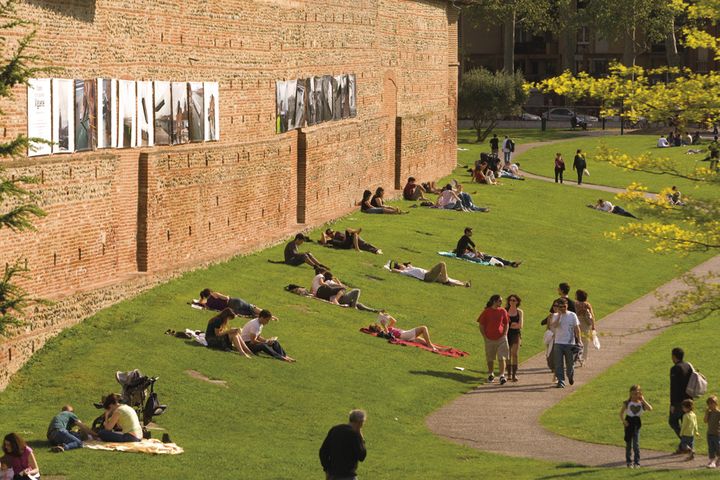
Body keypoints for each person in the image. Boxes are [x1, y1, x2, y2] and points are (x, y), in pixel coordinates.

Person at [319, 410, 367, 480]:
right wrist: (361, 438)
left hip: (333, 475)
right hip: (348, 476)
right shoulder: (354, 434)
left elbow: (323, 452)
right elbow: (362, 456)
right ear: (360, 422)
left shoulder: (335, 430)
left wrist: (327, 469)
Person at [548, 298, 582, 388]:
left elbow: (577, 328)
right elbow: (554, 326)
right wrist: (559, 315)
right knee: (558, 363)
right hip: (558, 343)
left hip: (570, 343)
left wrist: (579, 340)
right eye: (560, 307)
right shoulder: (555, 315)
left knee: (570, 363)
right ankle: (561, 380)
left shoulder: (572, 315)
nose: (563, 308)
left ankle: (570, 375)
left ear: (567, 305)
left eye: (564, 306)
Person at [477, 294, 510, 385]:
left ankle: (502, 375)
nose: (501, 302)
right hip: (489, 339)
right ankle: (491, 373)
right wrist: (484, 336)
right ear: (494, 301)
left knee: (502, 357)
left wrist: (505, 334)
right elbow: (481, 325)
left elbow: (506, 323)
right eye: (499, 301)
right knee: (490, 357)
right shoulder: (486, 312)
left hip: (501, 339)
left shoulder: (503, 311)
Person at [620, 385, 653, 468]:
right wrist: (624, 421)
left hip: (636, 423)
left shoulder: (641, 403)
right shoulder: (627, 403)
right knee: (628, 443)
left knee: (636, 444)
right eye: (634, 394)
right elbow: (621, 413)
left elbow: (650, 408)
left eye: (637, 393)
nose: (635, 395)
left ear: (640, 394)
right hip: (629, 422)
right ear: (630, 394)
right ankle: (628, 462)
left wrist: (643, 400)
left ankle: (637, 462)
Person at [455, 227, 521, 267]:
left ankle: (511, 263)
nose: (472, 233)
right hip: (461, 255)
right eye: (470, 232)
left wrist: (478, 253)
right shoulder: (465, 238)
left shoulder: (465, 240)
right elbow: (473, 245)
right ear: (467, 232)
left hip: (468, 254)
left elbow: (470, 248)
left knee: (490, 256)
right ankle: (498, 263)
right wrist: (476, 255)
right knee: (479, 260)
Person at [376, 312, 444, 350]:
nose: (378, 325)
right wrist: (384, 325)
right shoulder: (384, 332)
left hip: (405, 335)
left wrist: (388, 316)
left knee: (425, 341)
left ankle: (439, 349)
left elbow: (394, 321)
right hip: (404, 335)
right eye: (377, 326)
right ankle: (430, 346)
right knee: (423, 328)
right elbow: (388, 335)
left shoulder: (387, 328)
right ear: (377, 329)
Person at [669, 347, 693, 446]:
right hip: (688, 399)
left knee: (672, 421)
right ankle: (688, 446)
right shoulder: (688, 366)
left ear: (674, 356)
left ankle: (685, 443)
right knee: (686, 424)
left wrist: (672, 404)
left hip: (679, 401)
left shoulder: (675, 369)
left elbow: (674, 388)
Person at [390, 260, 470, 287]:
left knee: (444, 276)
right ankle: (445, 281)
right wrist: (390, 268)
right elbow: (394, 270)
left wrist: (406, 264)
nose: (402, 265)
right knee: (442, 264)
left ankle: (463, 284)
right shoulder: (405, 272)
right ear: (400, 268)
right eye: (400, 265)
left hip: (428, 274)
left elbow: (409, 264)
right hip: (427, 276)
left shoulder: (409, 268)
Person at [574, 289, 595, 366]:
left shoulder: (575, 304)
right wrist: (593, 326)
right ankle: (583, 359)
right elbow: (592, 316)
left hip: (576, 324)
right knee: (585, 343)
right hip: (585, 325)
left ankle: (576, 357)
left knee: (576, 341)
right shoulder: (587, 305)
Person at [505, 294, 523, 382]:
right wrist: (511, 325)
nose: (512, 302)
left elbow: (520, 325)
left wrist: (510, 325)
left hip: (516, 334)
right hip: (506, 334)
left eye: (514, 300)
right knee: (507, 354)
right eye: (510, 300)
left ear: (517, 302)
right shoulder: (505, 311)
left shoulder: (519, 312)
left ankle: (514, 374)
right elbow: (503, 324)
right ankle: (508, 374)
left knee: (514, 354)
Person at [705, 395, 720, 468]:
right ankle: (712, 461)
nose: (710, 405)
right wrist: (706, 413)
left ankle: (718, 459)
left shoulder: (718, 413)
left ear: (716, 404)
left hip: (717, 433)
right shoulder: (709, 412)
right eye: (709, 404)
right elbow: (705, 421)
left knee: (718, 447)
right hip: (709, 433)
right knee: (711, 448)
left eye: (711, 403)